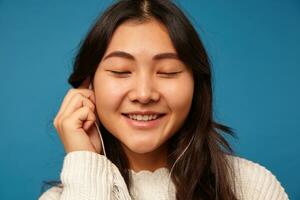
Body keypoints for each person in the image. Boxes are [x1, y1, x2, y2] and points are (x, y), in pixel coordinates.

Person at [39, 0, 289, 199]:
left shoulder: (252, 188)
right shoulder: (65, 196)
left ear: (196, 84)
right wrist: (85, 164)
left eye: (168, 72)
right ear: (88, 84)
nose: (144, 94)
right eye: (120, 71)